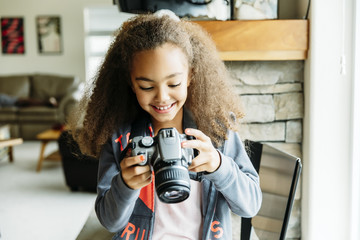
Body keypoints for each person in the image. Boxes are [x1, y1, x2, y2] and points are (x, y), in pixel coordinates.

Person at [69, 11, 262, 240]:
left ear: (191, 75)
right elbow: (110, 222)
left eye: (174, 83)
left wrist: (219, 166)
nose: (162, 97)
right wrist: (125, 185)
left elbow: (250, 207)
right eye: (147, 87)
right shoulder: (121, 136)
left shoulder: (215, 129)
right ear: (131, 83)